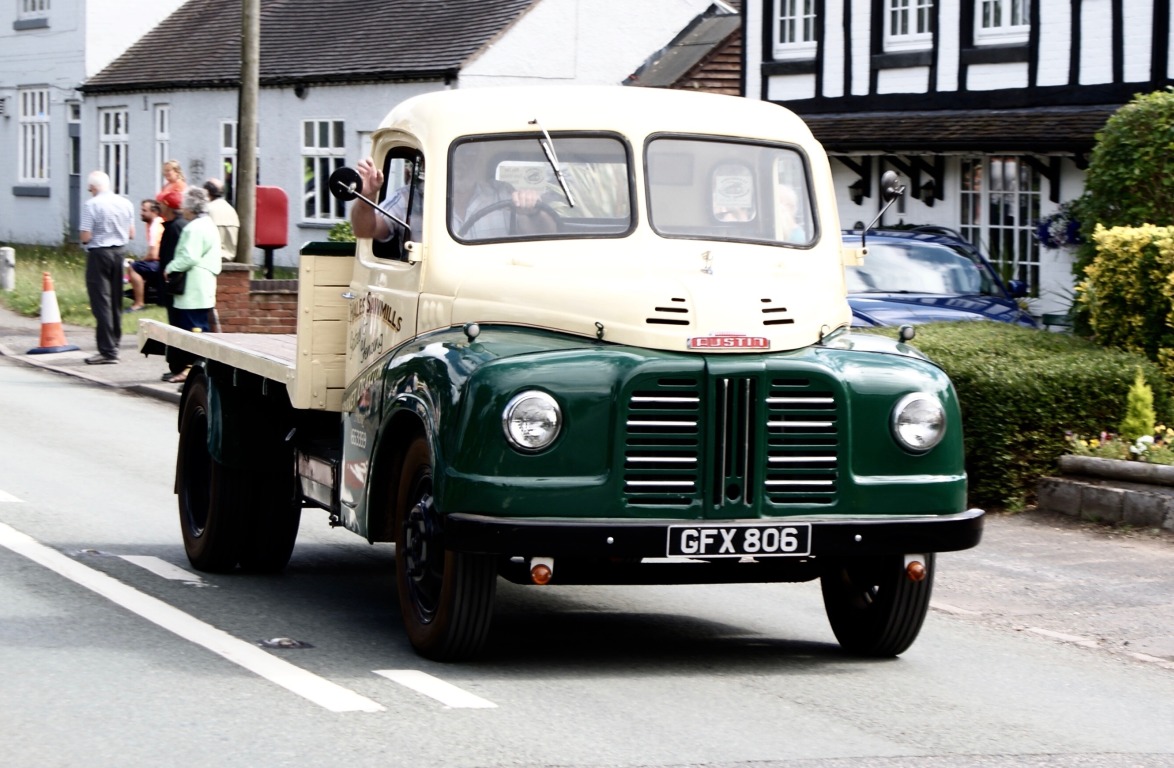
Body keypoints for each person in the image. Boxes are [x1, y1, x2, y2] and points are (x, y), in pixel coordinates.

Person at [350, 147, 552, 245]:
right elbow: (365, 230)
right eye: (454, 157)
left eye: (468, 156)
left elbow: (546, 235)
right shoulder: (408, 198)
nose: (460, 165)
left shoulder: (502, 193)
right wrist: (366, 198)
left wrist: (531, 210)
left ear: (477, 160)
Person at [164, 187, 222, 384]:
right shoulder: (209, 224)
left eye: (184, 206)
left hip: (193, 288)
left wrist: (170, 267)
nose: (182, 210)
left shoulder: (194, 228)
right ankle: (195, 369)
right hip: (204, 285)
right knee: (199, 328)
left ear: (190, 207)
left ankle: (191, 370)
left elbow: (189, 256)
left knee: (192, 330)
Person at [79, 170, 136, 365]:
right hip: (119, 253)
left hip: (99, 254)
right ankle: (115, 343)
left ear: (93, 187)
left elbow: (85, 236)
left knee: (101, 301)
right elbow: (131, 234)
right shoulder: (125, 203)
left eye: (90, 188)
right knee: (115, 300)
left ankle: (107, 350)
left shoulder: (91, 205)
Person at [155, 186, 189, 381]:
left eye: (161, 204)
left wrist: (167, 283)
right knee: (176, 324)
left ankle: (179, 366)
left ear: (168, 206)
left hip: (174, 286)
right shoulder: (177, 225)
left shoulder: (175, 227)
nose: (158, 207)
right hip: (175, 285)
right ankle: (176, 365)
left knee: (177, 325)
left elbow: (171, 258)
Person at [126, 199, 163, 311]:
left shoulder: (155, 226)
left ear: (154, 212)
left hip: (160, 263)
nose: (141, 213)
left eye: (144, 210)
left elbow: (153, 254)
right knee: (137, 265)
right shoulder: (158, 223)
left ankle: (139, 303)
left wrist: (139, 261)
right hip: (162, 262)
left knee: (133, 267)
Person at [203, 178, 240, 261]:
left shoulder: (207, 209)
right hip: (230, 256)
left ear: (207, 192)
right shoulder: (231, 209)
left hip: (211, 257)